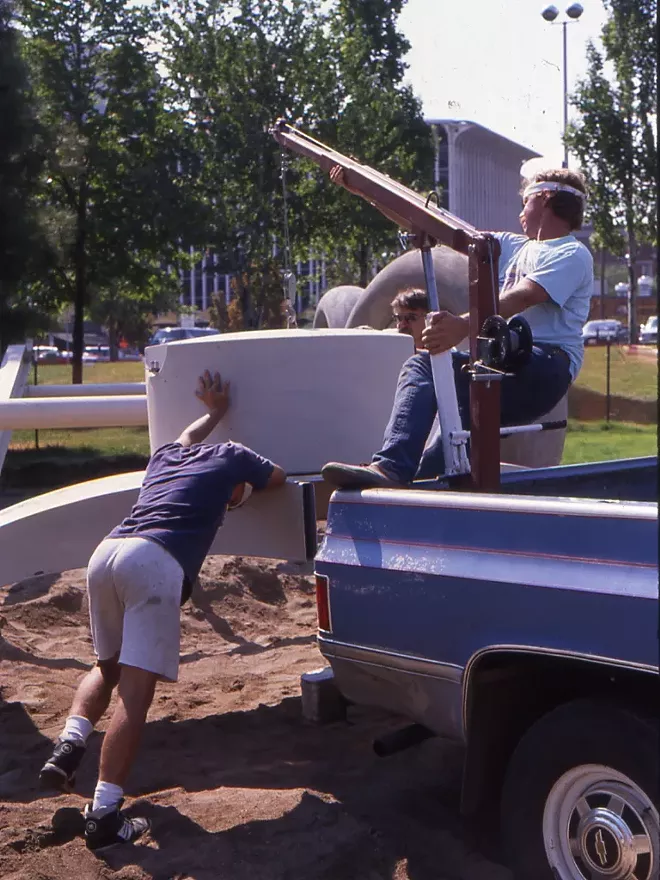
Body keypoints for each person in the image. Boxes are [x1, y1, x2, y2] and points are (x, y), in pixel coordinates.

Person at [38, 370, 286, 850]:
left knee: (105, 668)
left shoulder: (167, 455)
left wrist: (215, 410)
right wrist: (241, 488)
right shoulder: (235, 457)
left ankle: (69, 745)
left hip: (107, 552)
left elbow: (189, 435)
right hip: (153, 563)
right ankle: (105, 815)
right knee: (135, 694)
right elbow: (276, 478)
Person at [322, 167, 594, 488]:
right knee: (426, 369)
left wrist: (462, 326)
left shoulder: (571, 252)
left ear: (545, 198)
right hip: (501, 358)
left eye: (525, 202)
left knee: (466, 377)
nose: (520, 212)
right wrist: (366, 191)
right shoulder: (511, 245)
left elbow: (523, 296)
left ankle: (401, 474)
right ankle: (396, 473)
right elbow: (429, 225)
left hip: (544, 366)